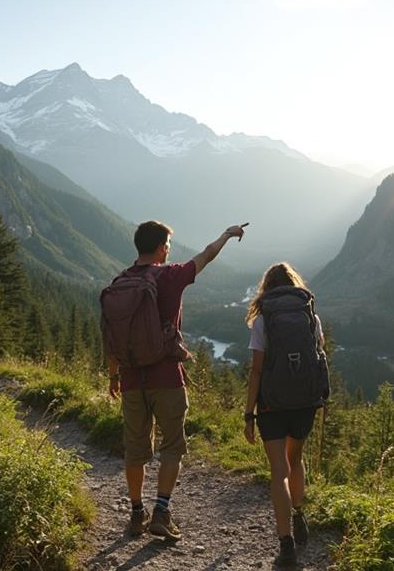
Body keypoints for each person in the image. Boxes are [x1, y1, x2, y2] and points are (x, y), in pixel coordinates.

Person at [106, 220, 247, 540]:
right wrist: (227, 233)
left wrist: (113, 376)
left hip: (130, 379)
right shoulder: (169, 276)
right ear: (159, 248)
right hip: (167, 375)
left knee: (135, 449)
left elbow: (111, 335)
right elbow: (207, 256)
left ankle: (136, 513)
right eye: (167, 245)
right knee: (172, 446)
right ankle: (161, 511)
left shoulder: (120, 282)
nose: (169, 250)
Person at [243, 262, 327, 566]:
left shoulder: (263, 319)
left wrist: (249, 413)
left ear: (267, 287)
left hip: (271, 405)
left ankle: (286, 543)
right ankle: (299, 513)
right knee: (296, 460)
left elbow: (256, 370)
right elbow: (319, 354)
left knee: (278, 472)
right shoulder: (309, 315)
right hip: (304, 401)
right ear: (293, 284)